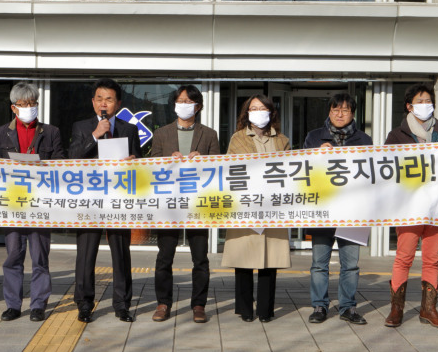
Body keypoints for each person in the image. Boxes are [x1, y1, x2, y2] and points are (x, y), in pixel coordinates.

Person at [0, 83, 65, 322]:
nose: (29, 108)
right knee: (13, 256)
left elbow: (62, 162)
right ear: (14, 108)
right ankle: (13, 305)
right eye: (24, 105)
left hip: (40, 204)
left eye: (33, 104)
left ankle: (38, 304)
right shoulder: (2, 132)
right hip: (13, 204)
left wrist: (41, 166)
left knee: (40, 257)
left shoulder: (51, 132)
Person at [68, 78, 141, 323]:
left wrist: (133, 163)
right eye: (99, 98)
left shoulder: (129, 130)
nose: (103, 103)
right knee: (86, 253)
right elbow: (73, 158)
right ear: (92, 102)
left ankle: (122, 304)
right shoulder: (81, 127)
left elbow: (140, 167)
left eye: (109, 99)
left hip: (118, 200)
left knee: (121, 252)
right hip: (90, 201)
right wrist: (95, 136)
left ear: (118, 104)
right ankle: (84, 303)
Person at [384, 83, 438, 328]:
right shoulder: (396, 136)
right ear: (409, 106)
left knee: (432, 258)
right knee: (404, 256)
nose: (425, 105)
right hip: (408, 207)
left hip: (436, 207)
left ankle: (428, 309)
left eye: (428, 100)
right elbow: (387, 171)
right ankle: (396, 309)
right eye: (420, 101)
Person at [150, 85, 220, 324]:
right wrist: (166, 161)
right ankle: (163, 303)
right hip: (169, 204)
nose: (184, 104)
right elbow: (151, 167)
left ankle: (199, 304)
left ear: (198, 107)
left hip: (198, 204)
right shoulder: (161, 134)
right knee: (164, 257)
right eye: (180, 101)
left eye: (189, 101)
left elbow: (218, 169)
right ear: (174, 105)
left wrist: (205, 161)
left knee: (200, 258)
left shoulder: (209, 134)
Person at [221, 94, 290, 323]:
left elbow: (290, 171)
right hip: (246, 206)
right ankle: (244, 309)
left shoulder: (282, 140)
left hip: (272, 207)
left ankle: (265, 310)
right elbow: (231, 169)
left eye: (262, 108)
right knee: (244, 259)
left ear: (271, 112)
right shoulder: (237, 138)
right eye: (253, 108)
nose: (258, 112)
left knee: (269, 261)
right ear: (246, 113)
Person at [304, 92, 371, 325]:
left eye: (345, 110)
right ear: (329, 112)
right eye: (335, 110)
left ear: (353, 113)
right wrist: (316, 156)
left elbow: (371, 177)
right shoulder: (314, 137)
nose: (339, 114)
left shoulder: (364, 140)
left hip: (354, 212)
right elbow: (303, 173)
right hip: (322, 210)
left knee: (350, 264)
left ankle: (348, 307)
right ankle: (319, 306)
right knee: (319, 263)